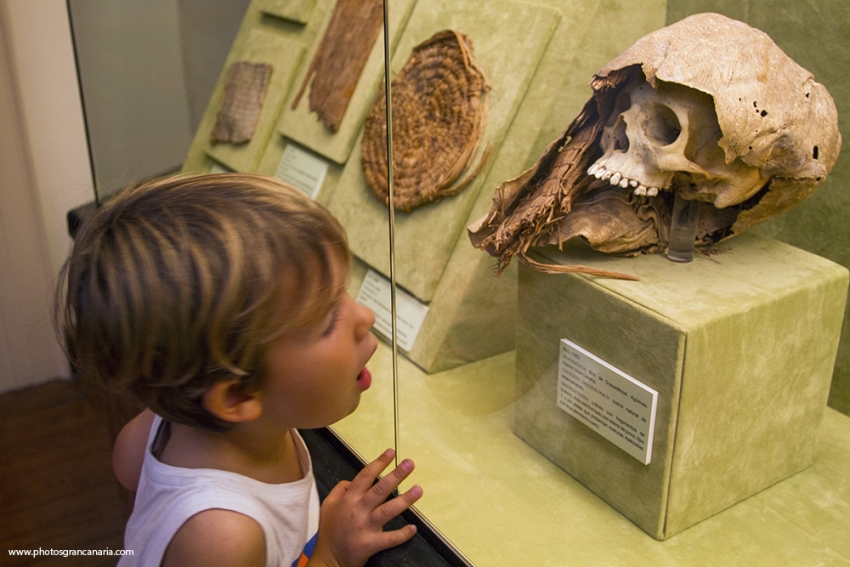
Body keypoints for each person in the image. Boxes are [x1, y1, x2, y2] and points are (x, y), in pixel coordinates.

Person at [58, 173, 422, 567]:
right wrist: (331, 552)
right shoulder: (222, 537)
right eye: (328, 319)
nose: (365, 316)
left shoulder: (174, 420)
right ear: (237, 394)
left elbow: (128, 465)